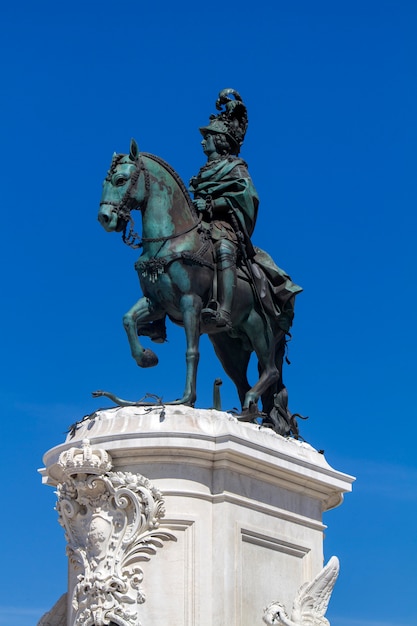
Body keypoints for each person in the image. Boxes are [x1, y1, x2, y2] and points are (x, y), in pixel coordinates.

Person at [189, 89, 259, 327]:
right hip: (200, 223)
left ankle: (225, 311)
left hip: (223, 225)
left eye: (206, 137)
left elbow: (246, 197)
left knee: (224, 248)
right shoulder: (202, 172)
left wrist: (210, 204)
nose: (202, 140)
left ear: (218, 140)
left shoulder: (235, 167)